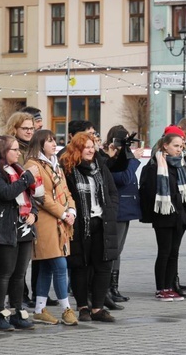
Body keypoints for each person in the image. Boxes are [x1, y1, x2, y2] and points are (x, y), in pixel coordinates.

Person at [0, 135, 39, 331]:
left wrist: (34, 214)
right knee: (4, 272)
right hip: (3, 228)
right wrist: (26, 178)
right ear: (2, 151)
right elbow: (6, 193)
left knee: (19, 274)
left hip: (23, 227)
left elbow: (30, 197)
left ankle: (17, 312)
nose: (18, 152)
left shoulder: (17, 169)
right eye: (14, 149)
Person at [61, 133, 119, 322]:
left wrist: (111, 211)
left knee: (103, 266)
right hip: (80, 224)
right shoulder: (68, 168)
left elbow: (112, 191)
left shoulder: (100, 166)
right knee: (80, 266)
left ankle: (97, 308)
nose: (90, 150)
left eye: (92, 146)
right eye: (85, 146)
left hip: (102, 221)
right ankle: (83, 307)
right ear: (76, 149)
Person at [23, 130, 78, 326]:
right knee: (60, 266)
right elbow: (40, 196)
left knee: (47, 266)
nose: (54, 144)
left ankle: (39, 309)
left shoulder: (55, 165)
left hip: (61, 222)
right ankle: (66, 309)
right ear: (40, 144)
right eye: (49, 141)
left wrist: (71, 209)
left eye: (55, 140)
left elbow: (66, 191)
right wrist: (63, 213)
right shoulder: (32, 165)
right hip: (45, 222)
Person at [139, 132, 186, 301]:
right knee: (164, 251)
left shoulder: (180, 165)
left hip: (179, 215)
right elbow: (149, 192)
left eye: (181, 146)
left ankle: (170, 286)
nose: (179, 150)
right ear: (165, 146)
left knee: (174, 252)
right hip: (163, 215)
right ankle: (161, 288)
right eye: (176, 146)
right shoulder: (154, 166)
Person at [101, 125, 143, 303]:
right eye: (122, 141)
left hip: (125, 209)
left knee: (118, 251)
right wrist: (133, 159)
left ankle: (114, 287)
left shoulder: (121, 157)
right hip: (116, 210)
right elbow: (123, 178)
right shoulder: (109, 159)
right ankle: (107, 288)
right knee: (113, 250)